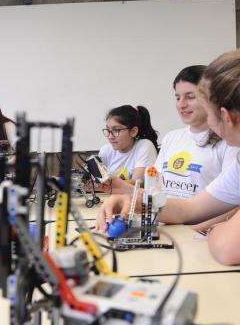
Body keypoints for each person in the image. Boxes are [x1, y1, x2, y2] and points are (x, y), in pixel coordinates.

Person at [96, 49, 240, 266]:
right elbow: (189, 208)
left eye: (194, 99)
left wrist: (219, 228)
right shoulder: (175, 138)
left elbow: (228, 248)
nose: (181, 104)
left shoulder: (228, 150)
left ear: (226, 117)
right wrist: (133, 201)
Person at [155, 65, 237, 199]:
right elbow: (157, 184)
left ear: (211, 98)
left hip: (204, 219)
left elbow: (232, 202)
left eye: (190, 97)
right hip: (167, 217)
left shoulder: (229, 141)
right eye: (177, 98)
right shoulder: (171, 137)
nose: (181, 105)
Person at [98, 105, 158, 184]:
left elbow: (137, 184)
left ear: (133, 131)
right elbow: (96, 181)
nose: (110, 136)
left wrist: (104, 185)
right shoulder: (106, 150)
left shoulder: (145, 146)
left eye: (116, 130)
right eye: (108, 130)